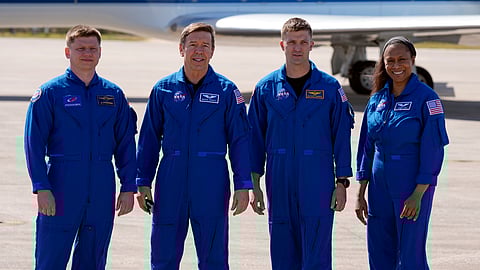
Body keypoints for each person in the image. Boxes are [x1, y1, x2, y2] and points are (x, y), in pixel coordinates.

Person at [135, 22, 252, 270]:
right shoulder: (163, 89)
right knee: (163, 254)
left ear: (212, 51)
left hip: (211, 181)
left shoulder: (227, 90)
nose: (199, 51)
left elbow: (240, 141)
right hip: (170, 181)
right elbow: (149, 140)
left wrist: (243, 185)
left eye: (205, 46)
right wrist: (142, 181)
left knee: (214, 257)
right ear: (181, 49)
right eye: (193, 45)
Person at [24, 25, 137, 269]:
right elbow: (33, 144)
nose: (87, 53)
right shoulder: (50, 93)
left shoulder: (114, 94)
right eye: (81, 48)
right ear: (68, 52)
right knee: (50, 257)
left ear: (100, 53)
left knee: (93, 258)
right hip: (62, 184)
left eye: (92, 49)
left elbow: (126, 144)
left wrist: (128, 187)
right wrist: (41, 187)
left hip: (101, 185)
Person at [248, 17, 354, 269]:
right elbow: (254, 139)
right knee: (283, 250)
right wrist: (253, 183)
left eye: (303, 42)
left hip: (317, 181)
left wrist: (342, 182)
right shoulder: (265, 88)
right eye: (292, 42)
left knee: (317, 252)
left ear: (311, 45)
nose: (297, 48)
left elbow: (341, 136)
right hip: (279, 179)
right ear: (282, 45)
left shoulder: (329, 88)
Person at [355, 36, 449, 269]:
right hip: (379, 187)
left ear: (413, 60)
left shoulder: (427, 99)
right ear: (383, 63)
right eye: (390, 61)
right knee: (379, 249)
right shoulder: (377, 99)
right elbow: (367, 146)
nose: (396, 66)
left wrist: (418, 193)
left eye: (402, 60)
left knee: (410, 253)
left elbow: (433, 149)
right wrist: (361, 191)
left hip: (410, 186)